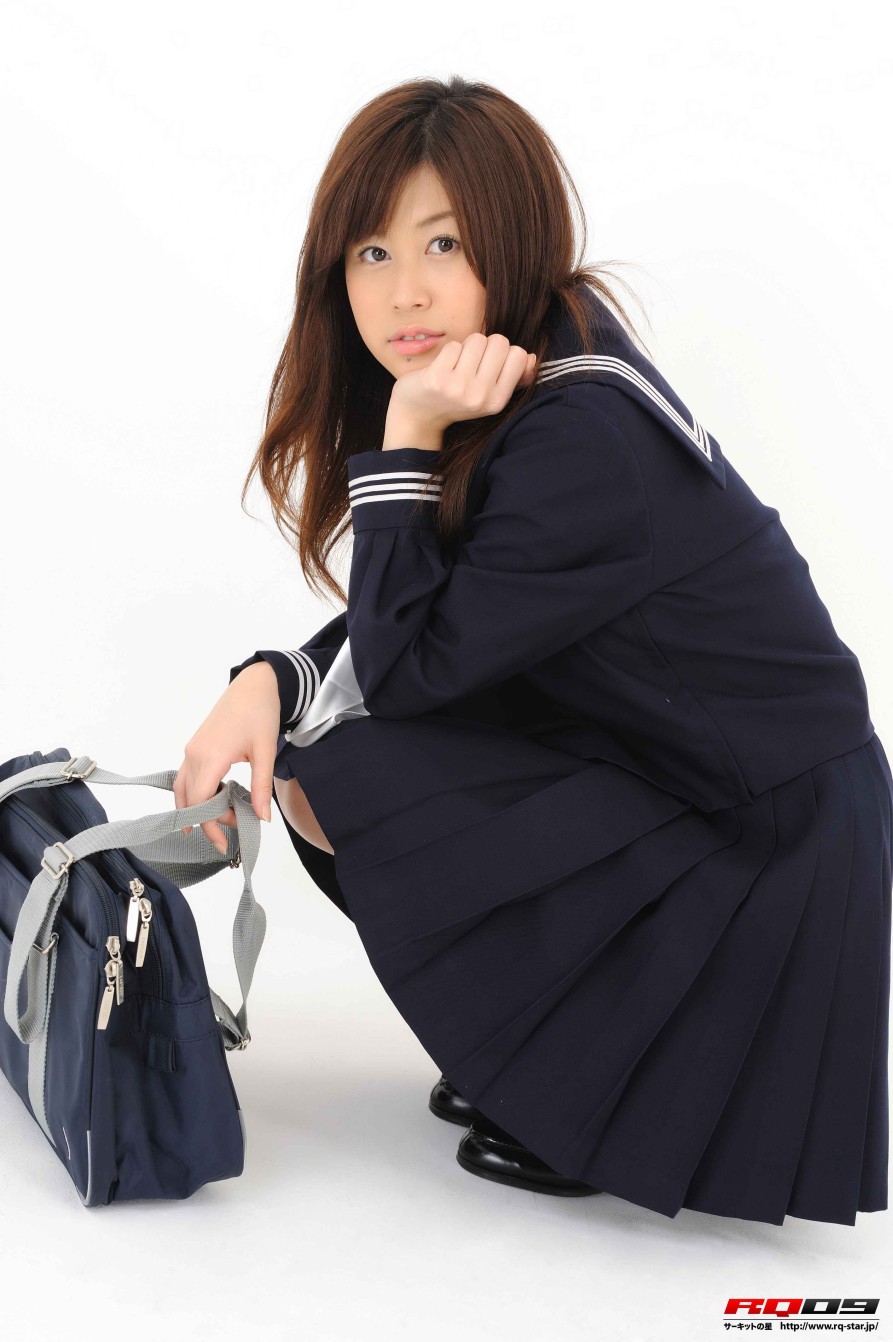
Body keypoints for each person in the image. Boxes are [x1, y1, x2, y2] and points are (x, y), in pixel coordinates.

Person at [174, 76, 892, 1225]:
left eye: (442, 243)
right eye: (369, 252)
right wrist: (274, 677)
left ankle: (594, 1100)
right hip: (691, 780)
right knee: (323, 754)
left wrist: (407, 435)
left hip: (766, 848)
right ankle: (558, 1064)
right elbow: (442, 624)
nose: (403, 291)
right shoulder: (535, 365)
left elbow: (405, 678)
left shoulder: (576, 431)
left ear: (511, 239)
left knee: (351, 769)